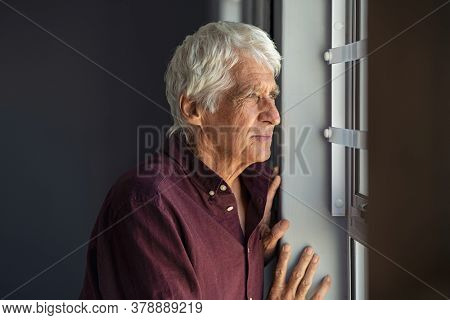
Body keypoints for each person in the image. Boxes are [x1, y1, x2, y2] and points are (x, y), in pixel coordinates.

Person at [79, 21, 331, 300]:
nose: (274, 116)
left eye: (271, 96)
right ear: (194, 108)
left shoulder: (256, 186)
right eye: (251, 96)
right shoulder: (148, 203)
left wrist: (250, 258)